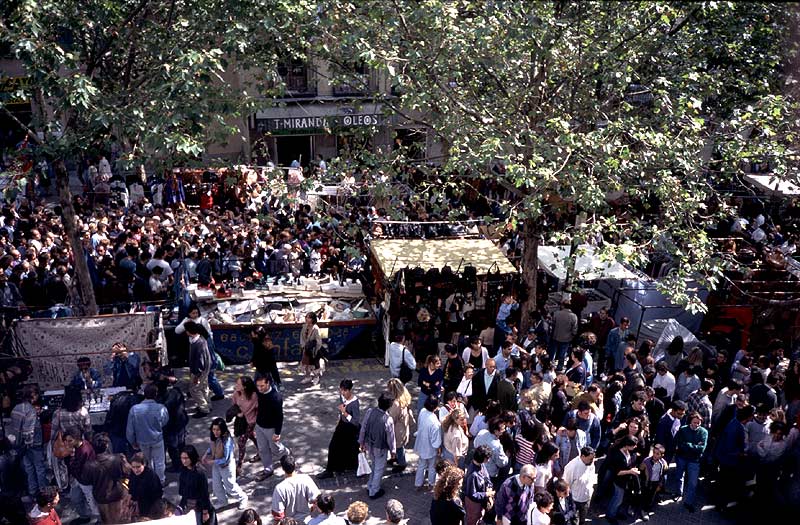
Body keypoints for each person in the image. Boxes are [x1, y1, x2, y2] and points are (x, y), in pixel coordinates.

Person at [176, 303, 225, 400]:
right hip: (199, 352)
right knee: (198, 374)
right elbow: (177, 330)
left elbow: (209, 338)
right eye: (193, 313)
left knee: (208, 376)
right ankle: (195, 390)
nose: (195, 315)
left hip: (205, 356)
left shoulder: (203, 337)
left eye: (196, 313)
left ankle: (218, 394)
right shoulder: (188, 322)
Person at [84, 433, 132, 525]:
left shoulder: (89, 465)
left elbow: (86, 481)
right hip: (117, 493)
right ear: (106, 445)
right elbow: (128, 472)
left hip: (100, 496)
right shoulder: (118, 459)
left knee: (106, 520)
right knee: (119, 519)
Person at [50, 385, 91, 490]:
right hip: (79, 445)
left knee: (65, 466)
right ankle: (79, 485)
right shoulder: (83, 412)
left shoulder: (58, 413)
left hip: (65, 445)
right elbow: (88, 430)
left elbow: (53, 432)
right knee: (79, 465)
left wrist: (53, 444)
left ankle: (66, 486)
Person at [126, 383, 169, 484]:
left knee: (146, 462)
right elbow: (165, 421)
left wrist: (132, 441)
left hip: (142, 440)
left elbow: (130, 429)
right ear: (156, 394)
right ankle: (160, 481)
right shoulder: (161, 408)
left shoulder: (134, 409)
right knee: (159, 462)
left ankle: (149, 481)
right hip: (157, 439)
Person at [10, 384, 47, 500]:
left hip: (20, 445)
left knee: (29, 468)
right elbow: (28, 432)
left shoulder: (16, 408)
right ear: (33, 395)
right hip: (32, 445)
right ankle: (43, 494)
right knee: (39, 468)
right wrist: (29, 444)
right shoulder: (30, 411)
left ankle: (32, 492)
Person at [318, 379, 361, 478]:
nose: (343, 393)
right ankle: (332, 469)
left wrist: (345, 413)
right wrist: (339, 420)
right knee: (333, 447)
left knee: (346, 447)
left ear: (350, 390)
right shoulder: (342, 396)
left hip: (350, 428)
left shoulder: (355, 403)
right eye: (341, 390)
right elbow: (341, 412)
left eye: (345, 391)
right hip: (342, 425)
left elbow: (355, 421)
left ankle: (345, 467)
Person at [358, 391, 397, 499]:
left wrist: (361, 442)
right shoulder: (388, 420)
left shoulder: (370, 411)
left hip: (369, 445)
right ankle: (374, 491)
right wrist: (393, 451)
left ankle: (370, 485)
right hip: (380, 448)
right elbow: (391, 438)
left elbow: (363, 428)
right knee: (379, 469)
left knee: (374, 465)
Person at [203, 418, 248, 510]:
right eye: (214, 429)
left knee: (230, 487)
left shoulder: (227, 441)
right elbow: (212, 446)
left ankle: (243, 498)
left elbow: (226, 459)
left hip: (226, 466)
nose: (215, 432)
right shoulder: (214, 437)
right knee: (216, 485)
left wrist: (212, 461)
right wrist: (206, 454)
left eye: (218, 430)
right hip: (216, 464)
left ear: (222, 429)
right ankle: (222, 501)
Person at [254, 374, 290, 481]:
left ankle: (286, 453)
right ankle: (268, 470)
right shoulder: (259, 392)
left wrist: (277, 433)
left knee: (275, 448)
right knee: (262, 449)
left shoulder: (276, 397)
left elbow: (279, 417)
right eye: (258, 386)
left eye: (262, 386)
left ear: (268, 383)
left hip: (271, 428)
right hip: (259, 425)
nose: (259, 388)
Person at [62, 426, 100, 524]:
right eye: (66, 440)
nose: (67, 443)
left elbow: (75, 467)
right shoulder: (80, 446)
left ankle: (100, 520)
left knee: (92, 502)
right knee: (75, 498)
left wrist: (70, 456)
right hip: (78, 479)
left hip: (85, 480)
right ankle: (84, 516)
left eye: (70, 441)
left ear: (77, 439)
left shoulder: (83, 451)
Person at [672, 412, 708, 513]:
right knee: (679, 476)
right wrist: (694, 446)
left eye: (698, 423)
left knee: (693, 482)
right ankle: (678, 493)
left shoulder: (704, 432)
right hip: (682, 457)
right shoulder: (683, 429)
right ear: (690, 422)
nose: (696, 425)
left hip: (694, 460)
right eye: (694, 422)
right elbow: (680, 444)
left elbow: (702, 448)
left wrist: (688, 445)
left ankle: (689, 502)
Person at [271, 455, 320, 522]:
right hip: (306, 521)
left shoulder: (279, 488)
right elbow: (318, 499)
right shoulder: (306, 479)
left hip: (289, 522)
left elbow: (278, 514)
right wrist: (311, 508)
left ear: (282, 468)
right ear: (295, 465)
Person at [605, 435, 640, 525]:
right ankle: (610, 515)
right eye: (634, 445)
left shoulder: (627, 451)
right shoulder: (618, 456)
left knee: (619, 499)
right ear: (627, 445)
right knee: (617, 499)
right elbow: (617, 472)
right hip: (619, 481)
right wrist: (630, 471)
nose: (635, 447)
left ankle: (615, 513)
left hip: (625, 481)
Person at [178, 445, 216, 525]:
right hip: (189, 506)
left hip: (200, 507)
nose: (183, 461)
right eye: (182, 458)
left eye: (186, 458)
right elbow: (184, 492)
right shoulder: (183, 471)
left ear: (192, 457)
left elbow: (204, 494)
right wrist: (180, 507)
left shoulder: (199, 473)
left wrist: (205, 512)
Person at [414, 395, 442, 490]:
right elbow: (436, 441)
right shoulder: (435, 422)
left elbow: (419, 426)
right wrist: (438, 448)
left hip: (421, 444)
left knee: (421, 465)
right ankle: (431, 483)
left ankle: (418, 484)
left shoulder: (422, 412)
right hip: (430, 448)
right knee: (432, 467)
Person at [562, 447, 595, 525]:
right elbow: (566, 484)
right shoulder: (572, 467)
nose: (592, 461)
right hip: (575, 500)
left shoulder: (590, 463)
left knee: (582, 520)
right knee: (574, 521)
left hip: (586, 498)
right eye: (590, 459)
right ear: (583, 456)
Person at [386, 378, 414, 473]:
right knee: (399, 447)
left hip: (397, 430)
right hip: (403, 427)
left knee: (398, 448)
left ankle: (402, 463)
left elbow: (391, 419)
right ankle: (396, 458)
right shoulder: (404, 396)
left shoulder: (396, 404)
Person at [185, 321, 212, 418]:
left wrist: (196, 375)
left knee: (194, 389)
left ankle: (204, 409)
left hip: (200, 370)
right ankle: (208, 404)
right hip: (205, 368)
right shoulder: (200, 339)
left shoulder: (198, 343)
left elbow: (200, 361)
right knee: (204, 387)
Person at [473, 418, 509, 490]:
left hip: (477, 465)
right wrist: (506, 457)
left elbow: (475, 444)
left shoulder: (482, 432)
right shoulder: (496, 446)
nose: (504, 430)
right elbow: (501, 463)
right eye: (502, 429)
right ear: (496, 431)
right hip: (490, 472)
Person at [463, 445, 494, 525]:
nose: (489, 460)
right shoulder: (473, 475)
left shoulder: (481, 465)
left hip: (481, 499)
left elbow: (487, 478)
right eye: (488, 458)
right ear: (482, 458)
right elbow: (472, 495)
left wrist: (489, 487)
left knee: (479, 516)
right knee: (473, 519)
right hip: (474, 504)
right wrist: (487, 494)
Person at [129, 451, 163, 519]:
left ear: (143, 464)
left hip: (151, 505)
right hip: (139, 503)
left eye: (138, 467)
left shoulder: (151, 475)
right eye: (133, 467)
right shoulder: (132, 474)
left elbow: (156, 494)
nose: (135, 470)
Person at [639, 444, 668, 518]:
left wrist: (660, 485)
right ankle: (642, 509)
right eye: (654, 452)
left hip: (655, 483)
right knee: (644, 495)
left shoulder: (663, 464)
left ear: (662, 455)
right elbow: (641, 469)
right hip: (647, 482)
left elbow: (663, 475)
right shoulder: (647, 461)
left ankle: (646, 509)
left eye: (657, 454)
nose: (655, 455)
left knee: (651, 496)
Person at [550, 300, 578, 371]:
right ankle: (559, 368)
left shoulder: (556, 314)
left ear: (562, 306)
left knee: (553, 353)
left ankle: (549, 365)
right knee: (562, 354)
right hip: (566, 339)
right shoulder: (574, 316)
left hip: (555, 337)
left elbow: (552, 325)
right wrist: (571, 336)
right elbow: (574, 330)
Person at [300, 312, 323, 384]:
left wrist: (316, 350)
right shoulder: (304, 326)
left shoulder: (315, 328)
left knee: (315, 364)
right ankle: (308, 377)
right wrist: (303, 346)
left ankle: (316, 377)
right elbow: (302, 337)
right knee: (306, 363)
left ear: (313, 319)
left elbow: (319, 341)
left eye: (309, 318)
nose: (307, 319)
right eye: (306, 317)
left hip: (313, 349)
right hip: (306, 348)